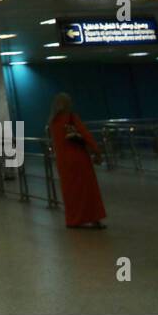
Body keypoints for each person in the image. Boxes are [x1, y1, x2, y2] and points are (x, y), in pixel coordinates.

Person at [47, 93, 107, 229]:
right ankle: (93, 218)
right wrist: (96, 151)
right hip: (79, 159)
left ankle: (73, 219)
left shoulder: (52, 122)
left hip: (63, 162)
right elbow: (85, 135)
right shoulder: (71, 118)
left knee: (71, 192)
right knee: (87, 190)